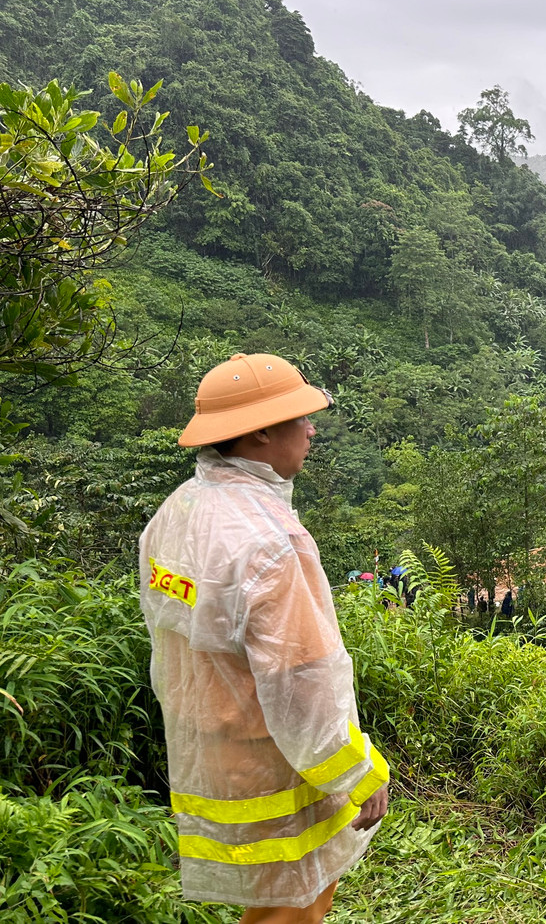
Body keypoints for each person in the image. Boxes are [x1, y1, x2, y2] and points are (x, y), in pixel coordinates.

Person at [139, 353, 389, 923]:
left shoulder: (175, 513)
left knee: (273, 903)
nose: (311, 428)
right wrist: (358, 771)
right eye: (299, 417)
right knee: (293, 902)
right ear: (259, 432)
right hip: (276, 758)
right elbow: (300, 679)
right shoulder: (272, 541)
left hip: (212, 751)